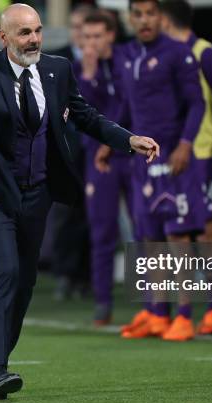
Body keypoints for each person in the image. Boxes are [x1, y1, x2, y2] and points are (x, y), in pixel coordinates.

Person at [0, 4, 159, 400]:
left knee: (26, 281)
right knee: (6, 271)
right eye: (23, 33)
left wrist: (127, 139)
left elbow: (84, 115)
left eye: (37, 31)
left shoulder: (57, 68)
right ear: (4, 38)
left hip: (38, 192)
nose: (33, 39)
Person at [116, 0, 206, 342]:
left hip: (174, 155)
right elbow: (127, 104)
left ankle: (184, 315)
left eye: (150, 13)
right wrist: (113, 142)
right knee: (150, 236)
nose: (144, 20)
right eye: (137, 14)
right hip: (141, 156)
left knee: (178, 236)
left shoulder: (178, 52)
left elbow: (197, 103)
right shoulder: (126, 56)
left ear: (161, 17)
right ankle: (157, 312)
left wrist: (185, 144)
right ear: (130, 19)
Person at [159, 0, 212, 336]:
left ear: (166, 20)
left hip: (205, 153)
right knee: (176, 232)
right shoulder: (162, 56)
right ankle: (181, 312)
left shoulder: (204, 52)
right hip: (172, 155)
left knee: (207, 233)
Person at [74, 11, 133, 325]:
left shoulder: (128, 59)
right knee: (102, 230)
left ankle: (155, 304)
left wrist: (112, 143)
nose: (91, 43)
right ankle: (103, 303)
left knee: (147, 230)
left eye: (97, 36)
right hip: (99, 157)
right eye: (86, 37)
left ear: (111, 35)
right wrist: (88, 73)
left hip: (132, 153)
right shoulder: (79, 69)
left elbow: (130, 104)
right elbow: (81, 111)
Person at [49, 3, 95, 301]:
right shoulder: (53, 60)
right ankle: (66, 274)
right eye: (77, 27)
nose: (81, 33)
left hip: (98, 149)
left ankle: (89, 276)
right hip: (65, 149)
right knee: (66, 213)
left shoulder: (109, 58)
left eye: (86, 27)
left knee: (96, 215)